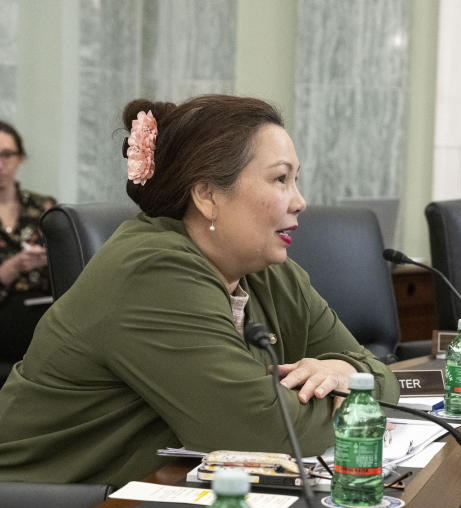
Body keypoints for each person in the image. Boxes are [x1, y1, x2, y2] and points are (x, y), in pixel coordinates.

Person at [0, 96, 399, 487]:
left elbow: (383, 375)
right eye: (280, 179)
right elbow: (262, 433)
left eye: (296, 180)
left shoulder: (269, 272)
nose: (300, 202)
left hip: (151, 494)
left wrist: (348, 371)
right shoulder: (153, 270)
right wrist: (357, 399)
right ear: (207, 195)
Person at [0, 120, 56, 363]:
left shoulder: (44, 207)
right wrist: (13, 267)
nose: (0, 165)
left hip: (41, 333)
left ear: (20, 158)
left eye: (7, 155)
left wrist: (51, 259)